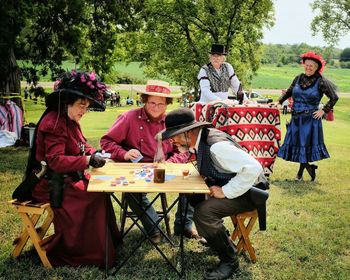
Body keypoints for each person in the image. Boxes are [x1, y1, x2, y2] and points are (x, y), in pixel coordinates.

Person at [12, 70, 121, 267]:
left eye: (87, 106)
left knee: (101, 191)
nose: (84, 110)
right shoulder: (54, 122)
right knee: (92, 195)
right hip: (50, 185)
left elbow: (80, 146)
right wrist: (88, 160)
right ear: (68, 101)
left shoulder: (69, 120)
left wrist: (97, 153)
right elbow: (55, 162)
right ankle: (80, 253)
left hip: (65, 180)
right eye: (82, 105)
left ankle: (103, 245)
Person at [161, 108, 267, 280]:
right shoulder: (202, 139)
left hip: (249, 193)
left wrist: (225, 191)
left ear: (188, 133)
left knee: (204, 212)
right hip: (239, 188)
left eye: (175, 135)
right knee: (193, 194)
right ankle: (218, 238)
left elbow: (254, 168)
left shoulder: (217, 146)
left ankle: (229, 259)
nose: (172, 140)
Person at [100, 80, 204, 244]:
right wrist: (125, 153)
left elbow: (184, 150)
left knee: (191, 184)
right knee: (131, 193)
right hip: (136, 171)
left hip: (166, 168)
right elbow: (106, 142)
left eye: (161, 103)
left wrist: (170, 162)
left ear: (167, 104)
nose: (156, 107)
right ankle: (154, 228)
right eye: (152, 102)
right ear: (144, 100)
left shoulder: (171, 122)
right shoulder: (128, 117)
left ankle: (184, 225)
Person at [278, 51, 339, 181]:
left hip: (310, 120)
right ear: (303, 65)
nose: (308, 67)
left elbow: (334, 97)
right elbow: (289, 92)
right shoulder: (298, 78)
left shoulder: (321, 81)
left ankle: (301, 173)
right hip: (296, 118)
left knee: (303, 147)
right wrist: (277, 102)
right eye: (306, 65)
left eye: (312, 65)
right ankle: (309, 169)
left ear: (317, 67)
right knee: (299, 146)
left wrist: (323, 111)